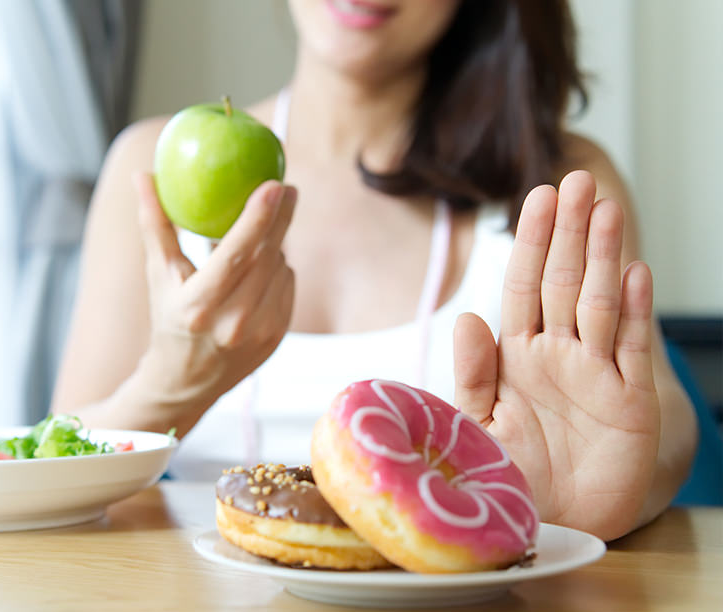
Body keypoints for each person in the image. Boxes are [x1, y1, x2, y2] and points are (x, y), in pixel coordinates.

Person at [51, 0, 697, 541]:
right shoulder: (151, 164)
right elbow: (53, 472)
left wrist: (597, 498)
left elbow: (655, 417)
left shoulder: (552, 181)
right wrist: (169, 386)